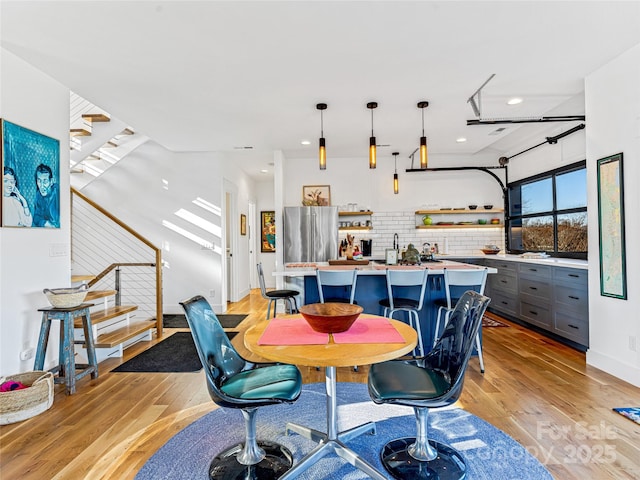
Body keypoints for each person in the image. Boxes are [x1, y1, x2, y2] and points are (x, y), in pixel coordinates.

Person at [33, 163, 60, 228]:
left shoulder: (59, 193)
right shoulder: (38, 195)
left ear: (51, 181)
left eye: (45, 182)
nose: (42, 186)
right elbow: (36, 217)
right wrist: (46, 223)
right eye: (39, 181)